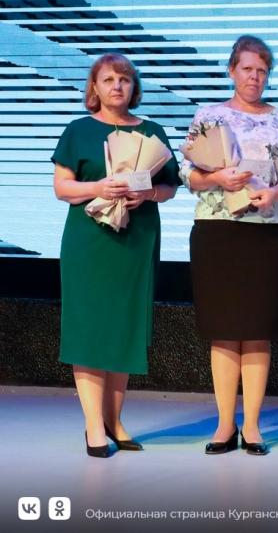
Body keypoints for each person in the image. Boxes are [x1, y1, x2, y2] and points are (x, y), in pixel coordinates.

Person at [180, 35, 278, 456]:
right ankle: (224, 425)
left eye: (262, 71)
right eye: (247, 69)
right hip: (218, 233)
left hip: (269, 235)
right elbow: (187, 174)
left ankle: (252, 426)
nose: (255, 77)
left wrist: (275, 193)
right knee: (223, 332)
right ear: (232, 70)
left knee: (257, 332)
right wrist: (216, 178)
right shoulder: (209, 115)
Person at [52, 53, 179, 457]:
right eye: (108, 79)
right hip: (89, 242)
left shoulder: (153, 131)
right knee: (89, 330)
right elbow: (62, 187)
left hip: (136, 241)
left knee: (125, 328)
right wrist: (98, 188)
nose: (117, 86)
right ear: (95, 87)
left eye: (124, 79)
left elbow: (170, 187)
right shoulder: (78, 130)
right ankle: (94, 426)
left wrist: (148, 193)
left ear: (134, 86)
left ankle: (115, 420)